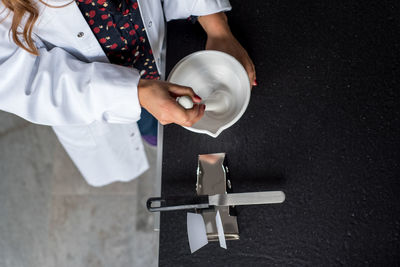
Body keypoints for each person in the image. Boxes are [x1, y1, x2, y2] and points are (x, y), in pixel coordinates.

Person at [0, 0, 256, 186]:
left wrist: (216, 25)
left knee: (166, 114)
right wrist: (135, 93)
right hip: (103, 93)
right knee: (147, 123)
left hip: (155, 52)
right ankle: (148, 129)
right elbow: (26, 82)